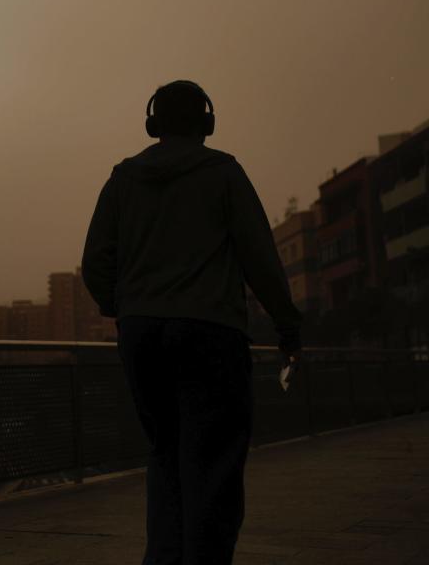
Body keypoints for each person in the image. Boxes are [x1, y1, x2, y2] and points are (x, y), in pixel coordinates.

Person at [81, 80, 302, 565]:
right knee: (214, 466)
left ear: (152, 124)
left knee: (164, 455)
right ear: (207, 123)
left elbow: (95, 263)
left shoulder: (123, 179)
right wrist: (288, 323)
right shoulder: (223, 173)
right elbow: (260, 259)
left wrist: (127, 308)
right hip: (210, 333)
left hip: (142, 337)